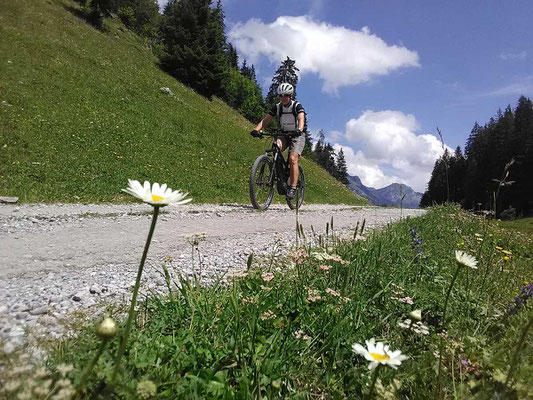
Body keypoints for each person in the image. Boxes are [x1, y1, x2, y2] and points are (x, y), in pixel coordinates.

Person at [250, 83, 306, 200]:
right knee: (275, 147)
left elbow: (301, 118)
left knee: (292, 159)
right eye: (281, 95)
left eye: (286, 95)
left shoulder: (297, 106)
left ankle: (293, 187)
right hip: (283, 135)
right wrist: (256, 129)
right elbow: (265, 120)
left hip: (297, 135)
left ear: (290, 95)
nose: (283, 97)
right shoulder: (277, 107)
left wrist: (299, 129)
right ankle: (280, 176)